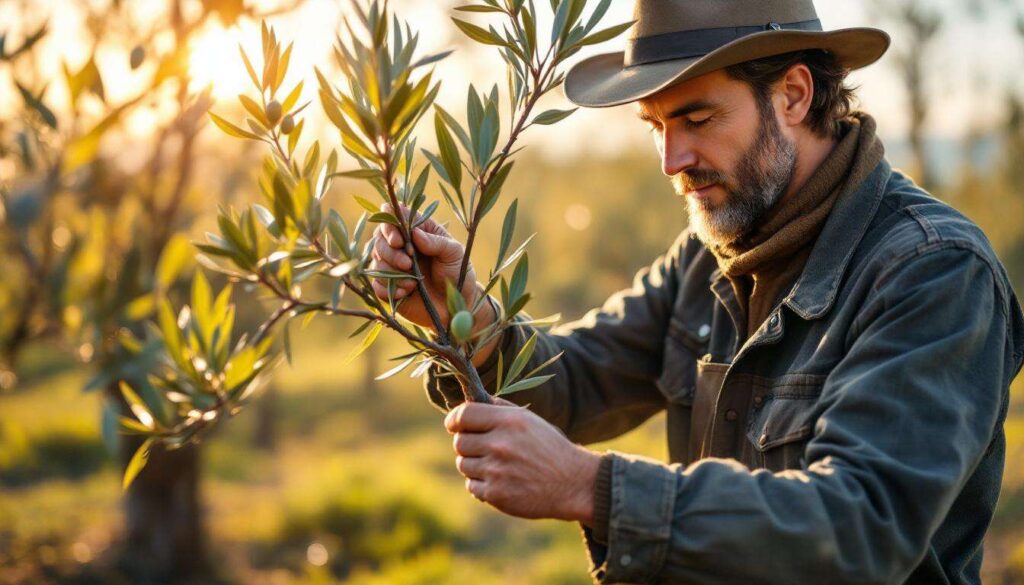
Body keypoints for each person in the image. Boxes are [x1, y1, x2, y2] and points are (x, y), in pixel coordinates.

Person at [368, 1, 1024, 582]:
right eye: (656, 127)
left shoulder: (933, 271)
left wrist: (591, 486)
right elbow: (581, 378)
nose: (671, 160)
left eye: (698, 118)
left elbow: (862, 528)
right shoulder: (710, 254)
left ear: (794, 95)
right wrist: (463, 315)